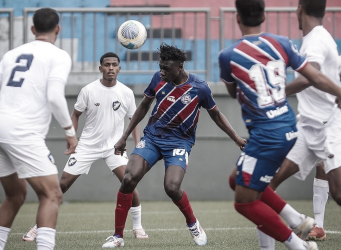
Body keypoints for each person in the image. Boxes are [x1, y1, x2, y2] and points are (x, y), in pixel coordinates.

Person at [219, 0, 341, 249]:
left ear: (236, 18)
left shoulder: (228, 55)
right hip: (293, 127)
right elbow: (314, 76)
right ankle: (297, 220)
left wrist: (263, 91)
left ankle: (299, 245)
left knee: (244, 200)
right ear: (265, 15)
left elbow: (232, 93)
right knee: (242, 181)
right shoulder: (283, 43)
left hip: (276, 134)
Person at [102, 43, 247, 248]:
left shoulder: (199, 88)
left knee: (171, 187)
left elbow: (215, 114)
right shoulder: (158, 79)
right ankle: (117, 237)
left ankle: (193, 223)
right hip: (152, 138)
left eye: (166, 68)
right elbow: (144, 106)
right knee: (128, 178)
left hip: (179, 143)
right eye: (160, 67)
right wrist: (125, 135)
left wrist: (236, 138)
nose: (162, 72)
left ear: (179, 66)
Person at [22, 52, 148, 242]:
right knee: (61, 185)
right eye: (107, 65)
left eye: (114, 65)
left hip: (114, 148)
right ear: (101, 68)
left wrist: (137, 144)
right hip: (87, 146)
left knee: (130, 182)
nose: (111, 68)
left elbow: (135, 119)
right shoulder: (88, 90)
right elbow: (75, 114)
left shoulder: (126, 93)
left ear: (119, 68)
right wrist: (73, 138)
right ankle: (38, 227)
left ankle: (138, 227)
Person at [0, 8, 78, 250]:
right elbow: (55, 97)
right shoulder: (59, 55)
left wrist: (8, 111)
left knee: (15, 196)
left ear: (32, 29)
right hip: (21, 132)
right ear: (58, 29)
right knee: (52, 194)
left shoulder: (12, 53)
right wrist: (70, 132)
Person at [267, 0, 341, 243]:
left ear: (299, 10)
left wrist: (275, 95)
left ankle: (303, 225)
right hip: (307, 128)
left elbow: (313, 76)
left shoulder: (316, 39)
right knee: (270, 182)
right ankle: (300, 224)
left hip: (328, 126)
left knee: (339, 193)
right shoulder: (316, 38)